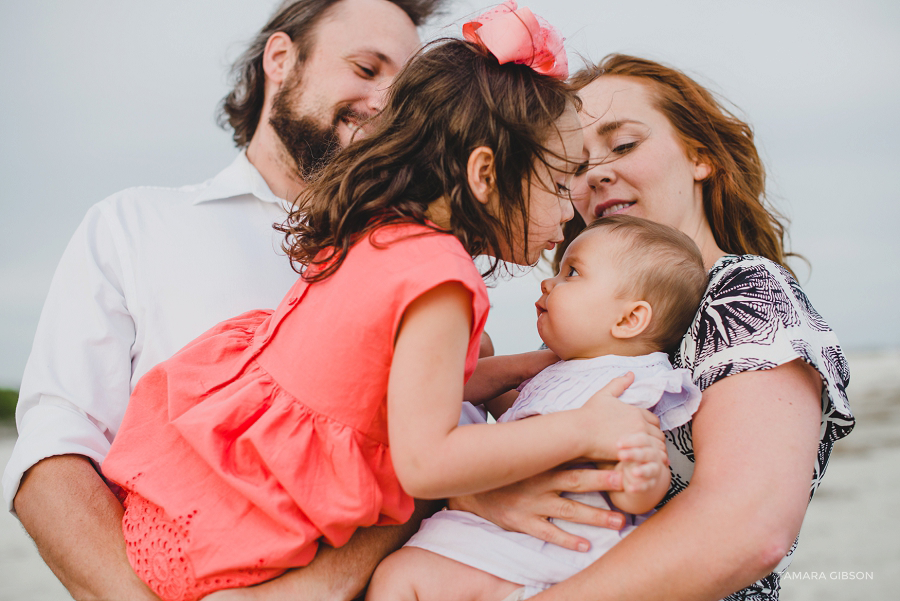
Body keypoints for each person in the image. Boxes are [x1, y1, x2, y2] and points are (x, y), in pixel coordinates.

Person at [98, 14, 661, 601]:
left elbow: (384, 384)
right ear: (486, 173)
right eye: (558, 180)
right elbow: (428, 459)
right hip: (252, 533)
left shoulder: (382, 232)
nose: (570, 212)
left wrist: (524, 368)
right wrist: (584, 426)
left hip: (203, 492)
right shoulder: (441, 277)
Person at [2, 1, 447, 599]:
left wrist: (312, 591)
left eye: (404, 90)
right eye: (367, 69)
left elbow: (439, 459)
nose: (385, 103)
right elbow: (54, 452)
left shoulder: (418, 261)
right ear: (282, 59)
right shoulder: (133, 225)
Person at [447, 54, 855, 601]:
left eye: (623, 146)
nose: (596, 173)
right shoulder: (586, 327)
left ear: (700, 156)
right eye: (574, 165)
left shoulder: (740, 294)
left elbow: (746, 527)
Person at [367, 215, 708, 601]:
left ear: (630, 319)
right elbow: (524, 417)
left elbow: (630, 485)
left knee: (400, 577)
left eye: (573, 273)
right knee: (397, 576)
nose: (549, 282)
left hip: (548, 556)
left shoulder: (628, 381)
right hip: (491, 540)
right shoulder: (559, 367)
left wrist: (643, 478)